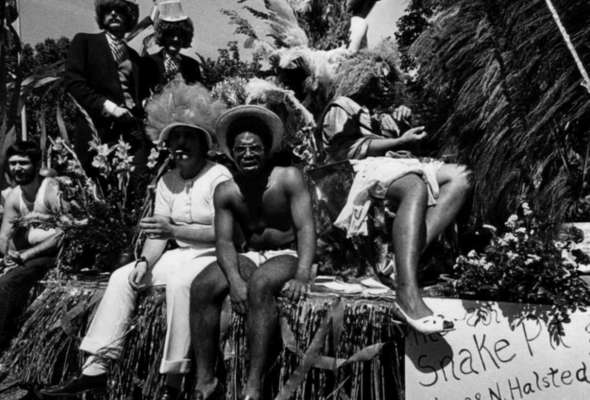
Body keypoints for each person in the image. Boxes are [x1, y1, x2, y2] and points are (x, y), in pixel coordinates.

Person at [41, 89, 231, 397]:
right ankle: (96, 367)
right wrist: (144, 262)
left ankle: (174, 379)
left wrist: (174, 231)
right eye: (175, 138)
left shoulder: (219, 176)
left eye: (188, 137)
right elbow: (157, 234)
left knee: (181, 284)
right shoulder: (167, 180)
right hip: (180, 254)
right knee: (122, 277)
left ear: (203, 142)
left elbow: (226, 233)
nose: (181, 144)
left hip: (213, 255)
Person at [319, 51, 472, 334]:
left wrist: (403, 127)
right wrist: (399, 140)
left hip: (395, 167)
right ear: (362, 78)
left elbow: (407, 149)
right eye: (380, 80)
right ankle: (406, 293)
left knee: (460, 176)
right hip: (355, 171)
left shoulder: (388, 112)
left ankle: (399, 263)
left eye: (390, 80)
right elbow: (341, 151)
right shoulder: (343, 106)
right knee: (414, 184)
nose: (387, 86)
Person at [190, 105, 316, 400]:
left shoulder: (289, 178)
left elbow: (305, 228)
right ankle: (205, 380)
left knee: (260, 284)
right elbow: (224, 242)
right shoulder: (226, 190)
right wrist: (234, 280)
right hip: (249, 254)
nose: (247, 154)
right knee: (202, 285)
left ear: (267, 150)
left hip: (286, 254)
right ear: (231, 153)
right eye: (240, 149)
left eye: (254, 148)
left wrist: (302, 274)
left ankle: (253, 385)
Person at [0, 141, 63, 397]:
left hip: (54, 255)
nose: (17, 168)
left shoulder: (51, 190)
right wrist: (5, 257)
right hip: (24, 256)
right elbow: (4, 237)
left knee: (9, 281)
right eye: (13, 163)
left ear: (36, 165)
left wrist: (24, 255)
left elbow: (65, 232)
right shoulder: (14, 196)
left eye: (23, 163)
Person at [65, 0, 149, 174]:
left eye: (119, 10)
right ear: (101, 16)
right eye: (108, 10)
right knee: (99, 186)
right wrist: (111, 108)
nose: (113, 14)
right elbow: (74, 83)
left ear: (129, 17)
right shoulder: (85, 42)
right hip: (97, 133)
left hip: (132, 134)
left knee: (137, 182)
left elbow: (140, 95)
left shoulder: (134, 57)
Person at [142, 0, 202, 93]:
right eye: (171, 35)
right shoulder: (148, 63)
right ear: (163, 36)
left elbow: (199, 96)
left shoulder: (192, 66)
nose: (175, 39)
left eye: (180, 35)